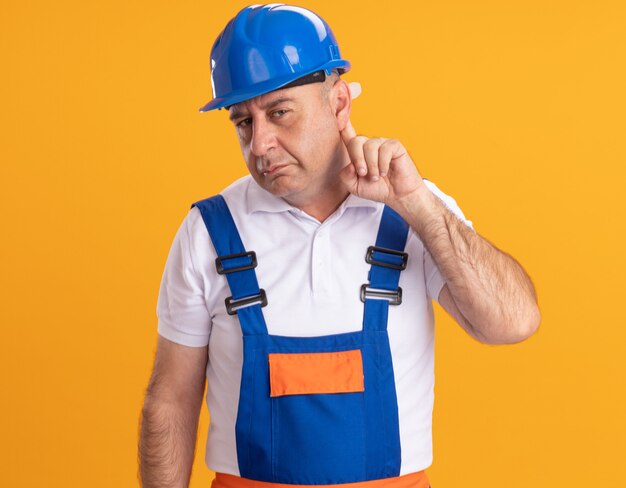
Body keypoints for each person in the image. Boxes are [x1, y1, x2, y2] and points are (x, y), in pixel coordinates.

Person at [138, 4, 541, 488]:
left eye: (279, 112)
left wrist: (419, 205)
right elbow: (170, 400)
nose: (259, 143)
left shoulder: (411, 211)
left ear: (339, 104)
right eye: (242, 122)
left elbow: (513, 323)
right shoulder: (209, 230)